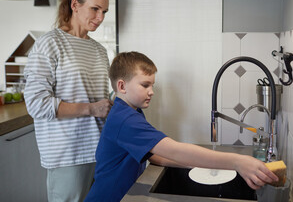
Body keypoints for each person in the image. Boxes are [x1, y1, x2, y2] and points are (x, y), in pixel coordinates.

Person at [85, 51, 278, 201]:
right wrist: (238, 162)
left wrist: (203, 163)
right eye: (145, 85)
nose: (152, 92)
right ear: (122, 86)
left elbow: (156, 156)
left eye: (152, 85)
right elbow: (174, 150)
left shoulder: (130, 112)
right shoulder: (125, 119)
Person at [24, 0, 113, 202]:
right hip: (67, 155)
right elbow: (37, 105)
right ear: (75, 5)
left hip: (100, 151)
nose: (100, 18)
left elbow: (100, 99)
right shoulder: (49, 44)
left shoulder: (100, 51)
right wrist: (92, 109)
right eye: (95, 9)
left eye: (104, 11)